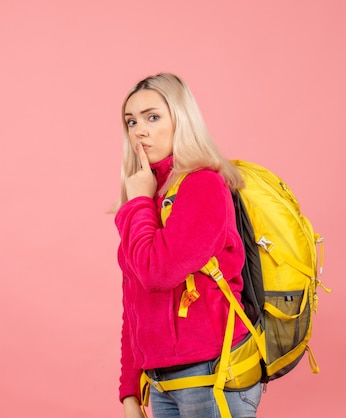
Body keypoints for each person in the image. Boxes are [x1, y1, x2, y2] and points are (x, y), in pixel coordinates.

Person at [114, 73, 262, 418]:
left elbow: (158, 273)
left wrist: (137, 203)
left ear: (181, 119)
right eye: (131, 121)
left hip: (211, 374)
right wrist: (129, 391)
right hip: (162, 384)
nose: (139, 131)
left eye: (153, 117)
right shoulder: (149, 194)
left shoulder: (203, 186)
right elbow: (135, 299)